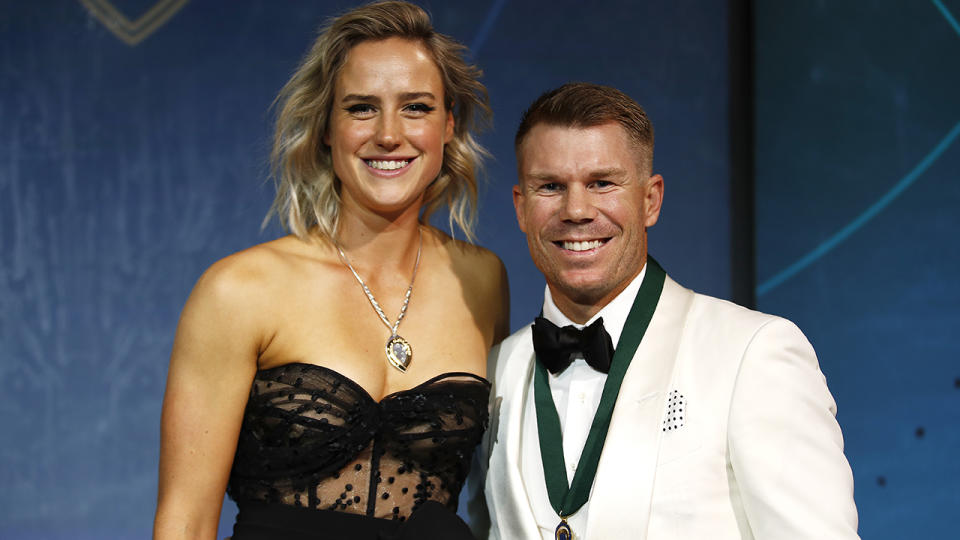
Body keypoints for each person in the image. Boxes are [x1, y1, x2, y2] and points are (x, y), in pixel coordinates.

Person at [153, 2, 509, 539]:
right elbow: (186, 522)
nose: (389, 134)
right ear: (326, 127)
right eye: (362, 108)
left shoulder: (481, 283)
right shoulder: (239, 291)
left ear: (448, 126)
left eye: (415, 107)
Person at [483, 83, 859, 539]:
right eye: (551, 187)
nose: (576, 210)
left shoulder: (752, 353)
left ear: (650, 200)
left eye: (602, 183)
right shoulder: (494, 372)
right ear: (521, 208)